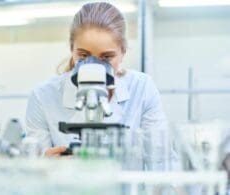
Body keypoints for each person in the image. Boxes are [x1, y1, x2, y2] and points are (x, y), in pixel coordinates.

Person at [25, 2, 169, 168]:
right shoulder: (43, 97)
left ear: (123, 53)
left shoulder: (142, 88)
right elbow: (33, 170)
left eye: (106, 58)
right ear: (72, 49)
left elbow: (161, 161)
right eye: (84, 56)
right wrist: (44, 167)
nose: (93, 66)